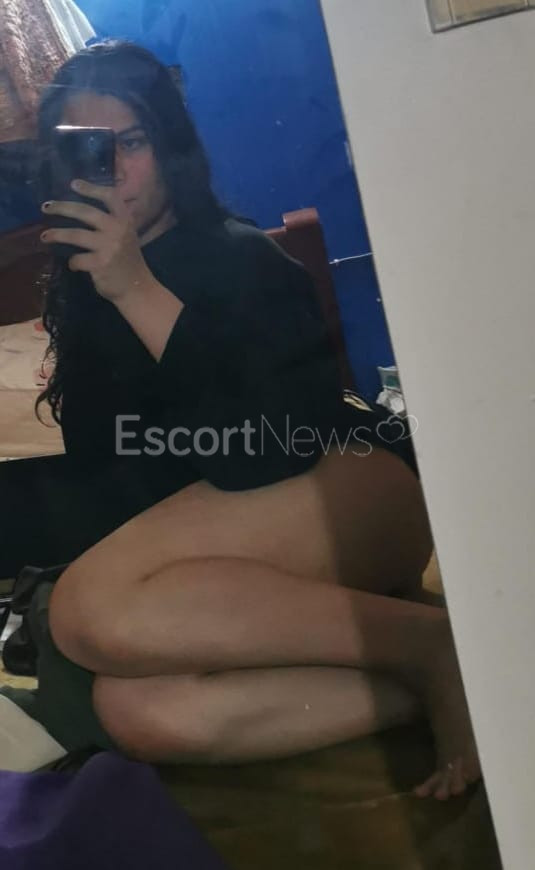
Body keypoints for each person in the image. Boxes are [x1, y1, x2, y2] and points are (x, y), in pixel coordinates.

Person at [0, 40, 479, 800]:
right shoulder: (81, 282)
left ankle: (433, 645)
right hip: (237, 542)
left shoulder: (241, 258)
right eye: (87, 149)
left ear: (170, 147)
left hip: (349, 485)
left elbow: (258, 454)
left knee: (88, 610)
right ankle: (448, 676)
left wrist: (135, 289)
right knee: (137, 712)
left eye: (131, 142)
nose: (111, 171)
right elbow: (119, 468)